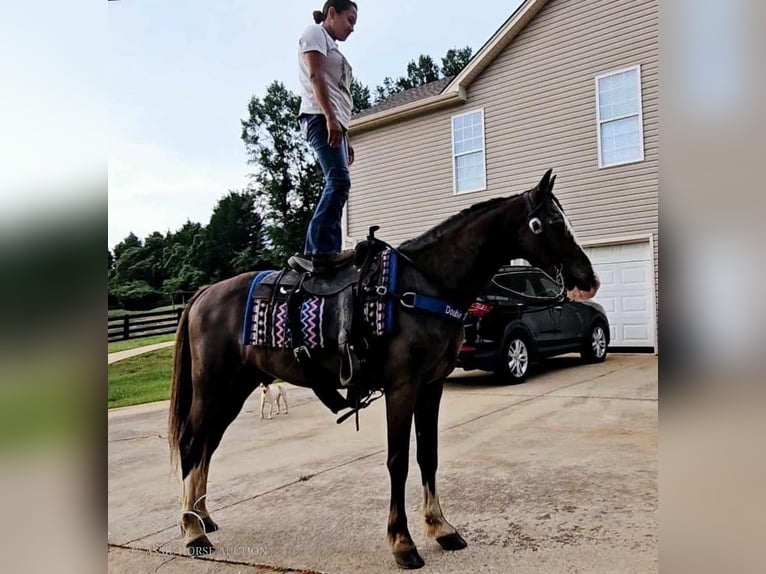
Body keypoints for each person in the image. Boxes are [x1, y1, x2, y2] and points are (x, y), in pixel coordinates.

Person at [292, 0, 359, 274]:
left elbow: (339, 93)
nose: (352, 28)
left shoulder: (333, 46)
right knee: (339, 180)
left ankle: (327, 250)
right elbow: (316, 76)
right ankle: (319, 252)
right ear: (332, 13)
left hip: (335, 123)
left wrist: (347, 135)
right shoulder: (314, 33)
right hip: (319, 118)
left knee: (341, 182)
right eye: (350, 19)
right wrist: (330, 118)